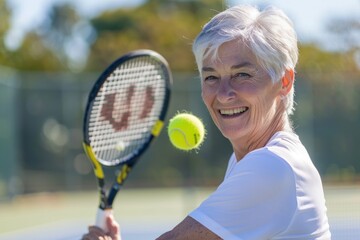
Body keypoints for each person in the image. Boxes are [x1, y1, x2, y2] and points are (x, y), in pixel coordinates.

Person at [82, 4, 331, 240]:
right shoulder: (246, 159)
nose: (223, 94)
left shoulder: (273, 165)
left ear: (284, 81)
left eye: (242, 74)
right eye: (211, 77)